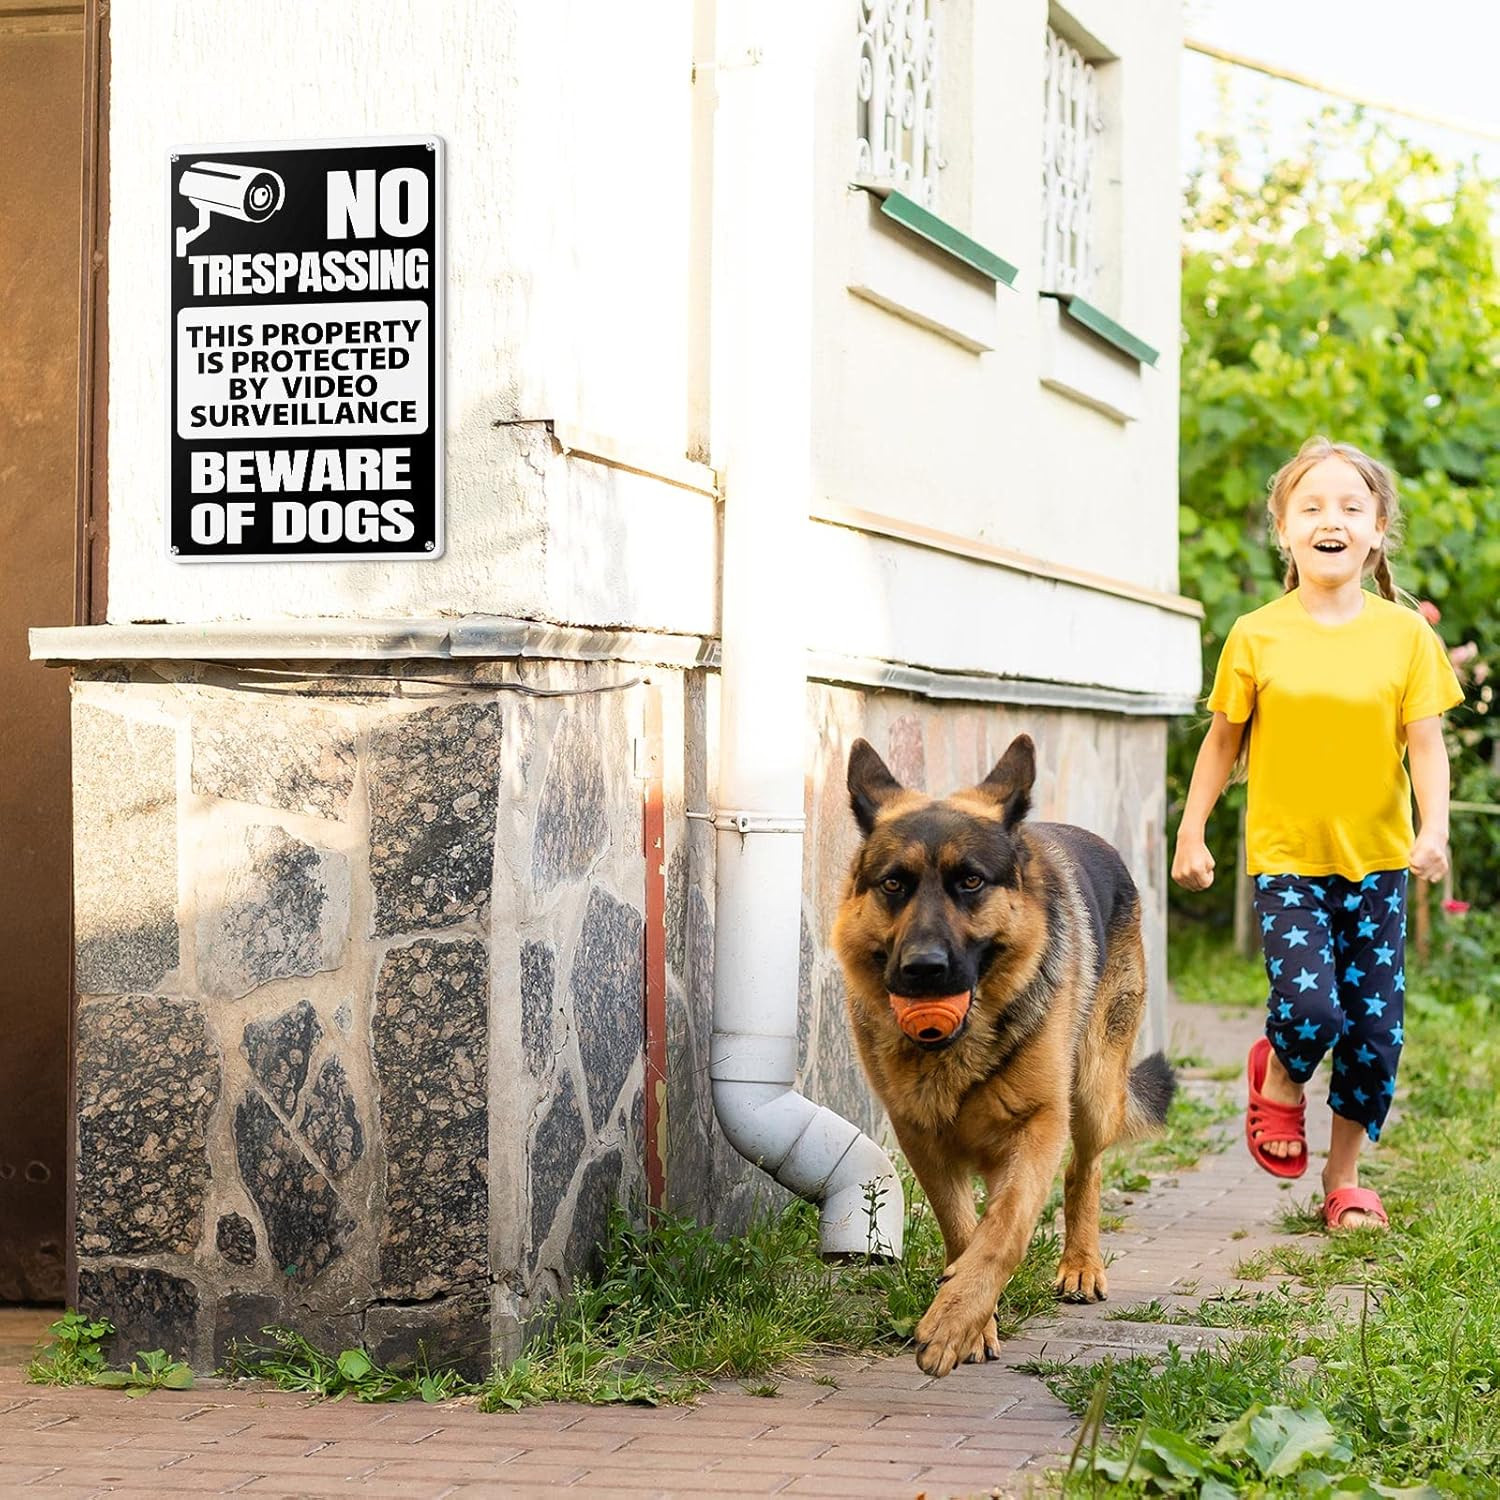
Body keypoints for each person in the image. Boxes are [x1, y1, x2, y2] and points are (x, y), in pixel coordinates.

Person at [1172, 436, 1463, 1231]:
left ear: (1376, 533)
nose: (1330, 519)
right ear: (1285, 531)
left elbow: (1428, 748)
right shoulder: (1257, 635)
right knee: (1313, 1016)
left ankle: (1343, 1179)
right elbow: (1223, 743)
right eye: (1311, 507)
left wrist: (1432, 831)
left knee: (1373, 1031)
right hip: (1287, 863)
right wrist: (1191, 832)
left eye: (1350, 507)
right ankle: (1278, 1076)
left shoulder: (1406, 638)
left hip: (1377, 865)